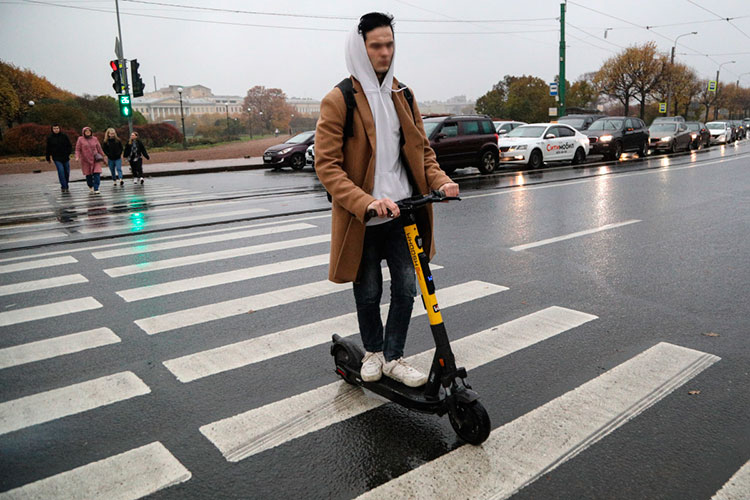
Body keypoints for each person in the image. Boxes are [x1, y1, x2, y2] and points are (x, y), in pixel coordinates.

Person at [315, 12, 459, 388]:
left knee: (408, 288)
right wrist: (365, 201)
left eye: (389, 44)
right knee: (368, 291)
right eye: (376, 45)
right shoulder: (339, 99)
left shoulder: (403, 94)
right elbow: (327, 166)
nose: (384, 52)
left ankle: (394, 356)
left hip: (403, 213)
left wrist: (442, 181)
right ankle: (374, 352)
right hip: (363, 218)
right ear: (360, 47)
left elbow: (422, 152)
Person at [75, 126, 105, 194]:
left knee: (97, 173)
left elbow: (99, 148)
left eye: (89, 131)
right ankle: (90, 185)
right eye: (86, 131)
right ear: (84, 132)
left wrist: (103, 156)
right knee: (88, 175)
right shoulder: (80, 139)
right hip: (86, 160)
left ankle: (96, 188)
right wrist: (77, 156)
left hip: (95, 159)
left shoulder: (95, 139)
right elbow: (77, 149)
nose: (88, 132)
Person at [45, 124, 72, 192]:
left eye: (57, 128)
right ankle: (64, 186)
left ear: (59, 129)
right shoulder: (50, 138)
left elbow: (69, 145)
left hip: (65, 157)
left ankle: (66, 183)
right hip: (56, 157)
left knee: (67, 171)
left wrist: (68, 153)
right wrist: (48, 157)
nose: (56, 130)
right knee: (61, 171)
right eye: (54, 128)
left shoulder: (64, 136)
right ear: (52, 129)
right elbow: (48, 148)